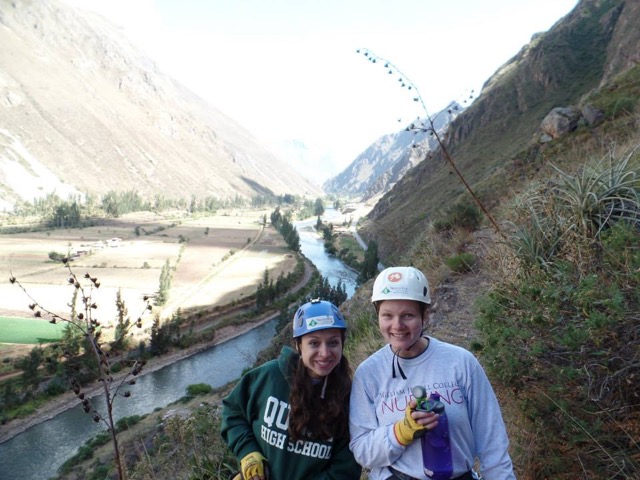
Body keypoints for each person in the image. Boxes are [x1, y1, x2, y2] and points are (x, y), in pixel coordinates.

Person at [349, 266, 515, 480]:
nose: (397, 325)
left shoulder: (460, 363)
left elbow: (492, 441)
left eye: (408, 315)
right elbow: (362, 451)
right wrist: (400, 432)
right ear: (378, 316)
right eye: (387, 315)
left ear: (425, 315)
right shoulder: (368, 373)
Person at [221, 298, 363, 480]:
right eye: (314, 343)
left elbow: (345, 470)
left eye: (333, 343)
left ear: (342, 344)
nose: (325, 353)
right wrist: (248, 453)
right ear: (298, 345)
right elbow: (233, 412)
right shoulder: (270, 376)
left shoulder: (348, 398)